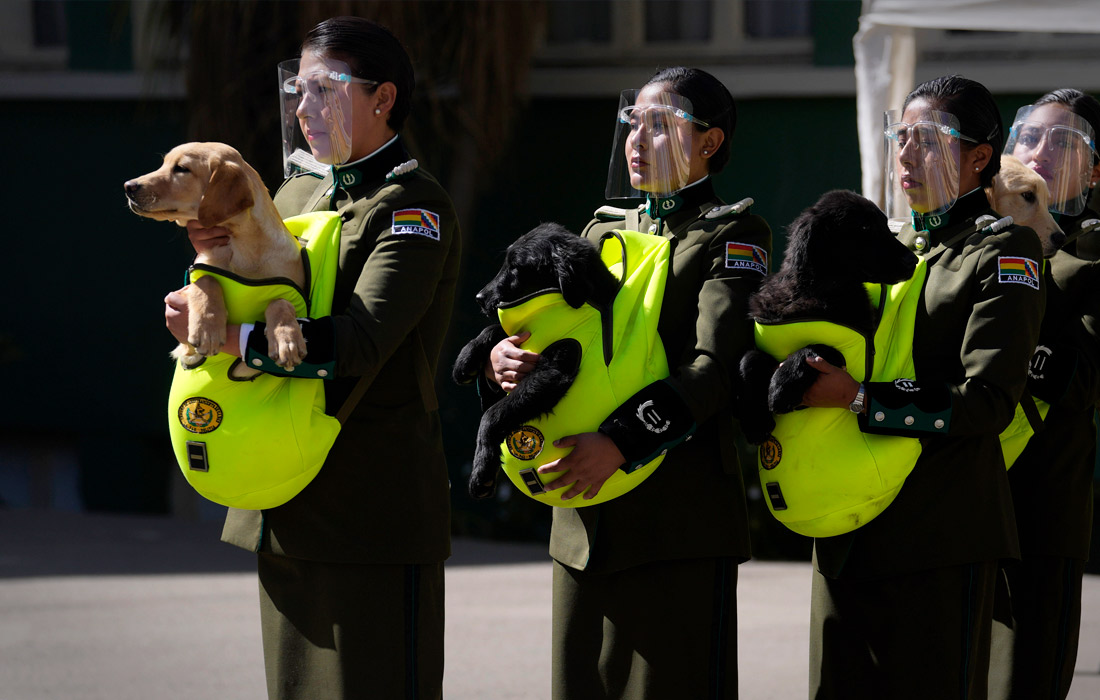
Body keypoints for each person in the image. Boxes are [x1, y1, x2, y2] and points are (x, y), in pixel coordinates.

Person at [163, 17, 459, 700]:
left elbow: (358, 343)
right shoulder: (295, 194)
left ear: (382, 99)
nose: (302, 108)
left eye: (323, 90)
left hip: (369, 514)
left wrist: (234, 341)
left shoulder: (412, 208)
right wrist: (197, 309)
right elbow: (239, 288)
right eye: (298, 90)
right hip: (283, 499)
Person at [485, 67, 771, 699]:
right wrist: (504, 361)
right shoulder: (600, 233)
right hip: (584, 520)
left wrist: (619, 442)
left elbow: (715, 368)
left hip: (676, 521)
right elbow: (556, 339)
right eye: (632, 124)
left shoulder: (732, 235)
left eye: (661, 126)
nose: (638, 140)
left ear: (710, 143)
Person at [796, 75, 1045, 698]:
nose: (905, 155)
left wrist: (858, 399)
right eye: (900, 136)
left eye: (928, 140)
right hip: (852, 523)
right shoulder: (891, 245)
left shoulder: (1004, 252)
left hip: (940, 533)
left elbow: (987, 402)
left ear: (979, 157)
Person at [989, 88, 1100, 700]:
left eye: (1063, 143)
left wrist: (1001, 350)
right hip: (962, 500)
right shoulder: (983, 235)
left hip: (1042, 504)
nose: (1038, 153)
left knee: (1021, 680)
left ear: (1096, 169)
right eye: (1028, 138)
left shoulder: (1089, 254)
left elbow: (1085, 379)